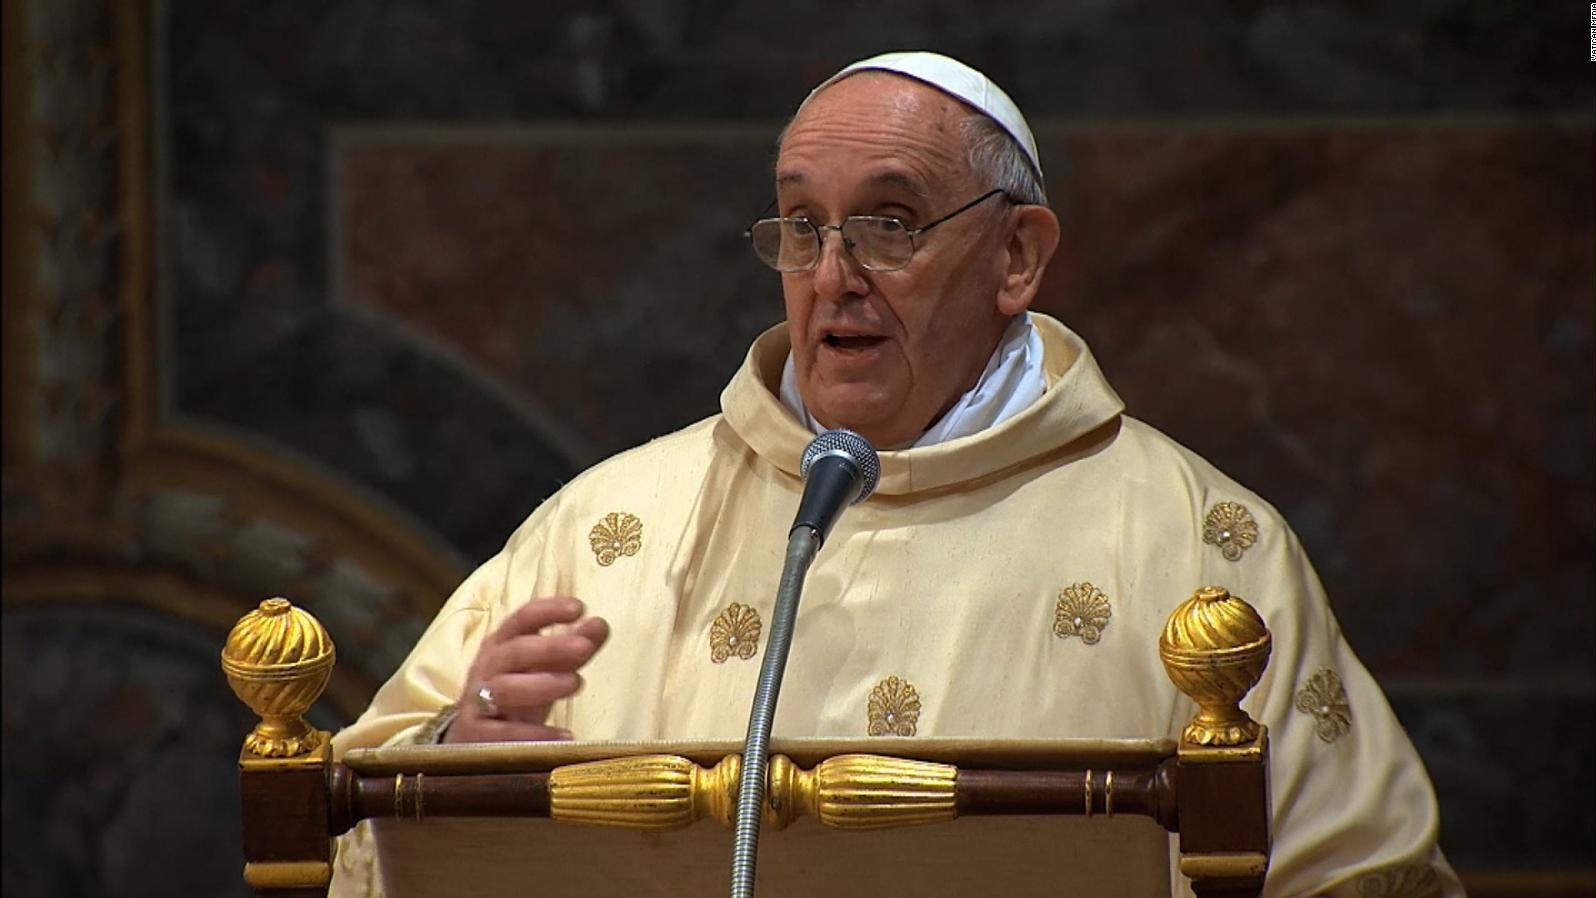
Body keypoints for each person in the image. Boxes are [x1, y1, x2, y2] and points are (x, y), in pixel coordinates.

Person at [330, 52, 1464, 898]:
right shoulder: (606, 528)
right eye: (801, 226)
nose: (833, 277)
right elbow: (340, 825)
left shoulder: (1201, 547)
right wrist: (446, 782)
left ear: (1018, 255)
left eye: (889, 222)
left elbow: (1364, 873)